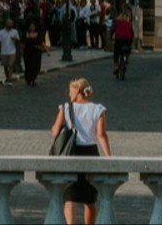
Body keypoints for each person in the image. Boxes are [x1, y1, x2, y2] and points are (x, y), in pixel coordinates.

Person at [49, 78, 111, 225]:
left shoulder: (66, 108)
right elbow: (101, 135)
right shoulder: (98, 109)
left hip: (71, 152)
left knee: (70, 195)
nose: (69, 94)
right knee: (89, 198)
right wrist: (109, 156)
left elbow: (54, 131)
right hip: (91, 153)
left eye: (70, 91)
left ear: (77, 92)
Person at [22, 18, 48, 86]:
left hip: (36, 53)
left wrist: (47, 51)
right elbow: (23, 43)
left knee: (35, 66)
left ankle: (33, 79)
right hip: (27, 52)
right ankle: (28, 79)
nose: (32, 27)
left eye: (33, 26)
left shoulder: (38, 34)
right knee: (28, 66)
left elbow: (42, 42)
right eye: (31, 26)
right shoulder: (26, 34)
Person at [111, 9, 134, 78]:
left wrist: (110, 37)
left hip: (119, 39)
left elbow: (112, 30)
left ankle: (116, 66)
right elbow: (132, 33)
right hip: (127, 40)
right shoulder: (129, 24)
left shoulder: (117, 23)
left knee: (116, 53)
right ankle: (126, 59)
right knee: (128, 50)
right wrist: (132, 40)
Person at [0, 18, 20, 85]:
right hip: (4, 52)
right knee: (5, 66)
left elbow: (18, 40)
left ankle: (9, 79)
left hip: (12, 51)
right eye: (9, 23)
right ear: (6, 24)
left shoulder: (15, 31)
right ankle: (7, 77)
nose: (11, 24)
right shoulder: (1, 32)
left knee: (10, 65)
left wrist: (15, 39)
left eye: (11, 23)